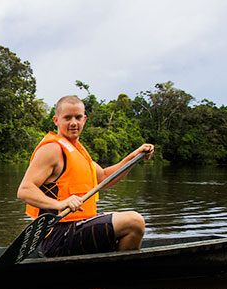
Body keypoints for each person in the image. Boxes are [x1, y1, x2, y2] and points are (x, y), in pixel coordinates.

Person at [17, 95, 154, 257]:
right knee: (134, 222)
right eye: (67, 118)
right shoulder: (52, 150)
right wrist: (60, 204)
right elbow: (25, 190)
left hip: (76, 227)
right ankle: (119, 277)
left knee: (125, 223)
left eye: (78, 117)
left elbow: (104, 177)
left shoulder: (79, 151)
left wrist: (133, 158)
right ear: (56, 120)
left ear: (84, 120)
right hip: (56, 236)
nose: (73, 122)